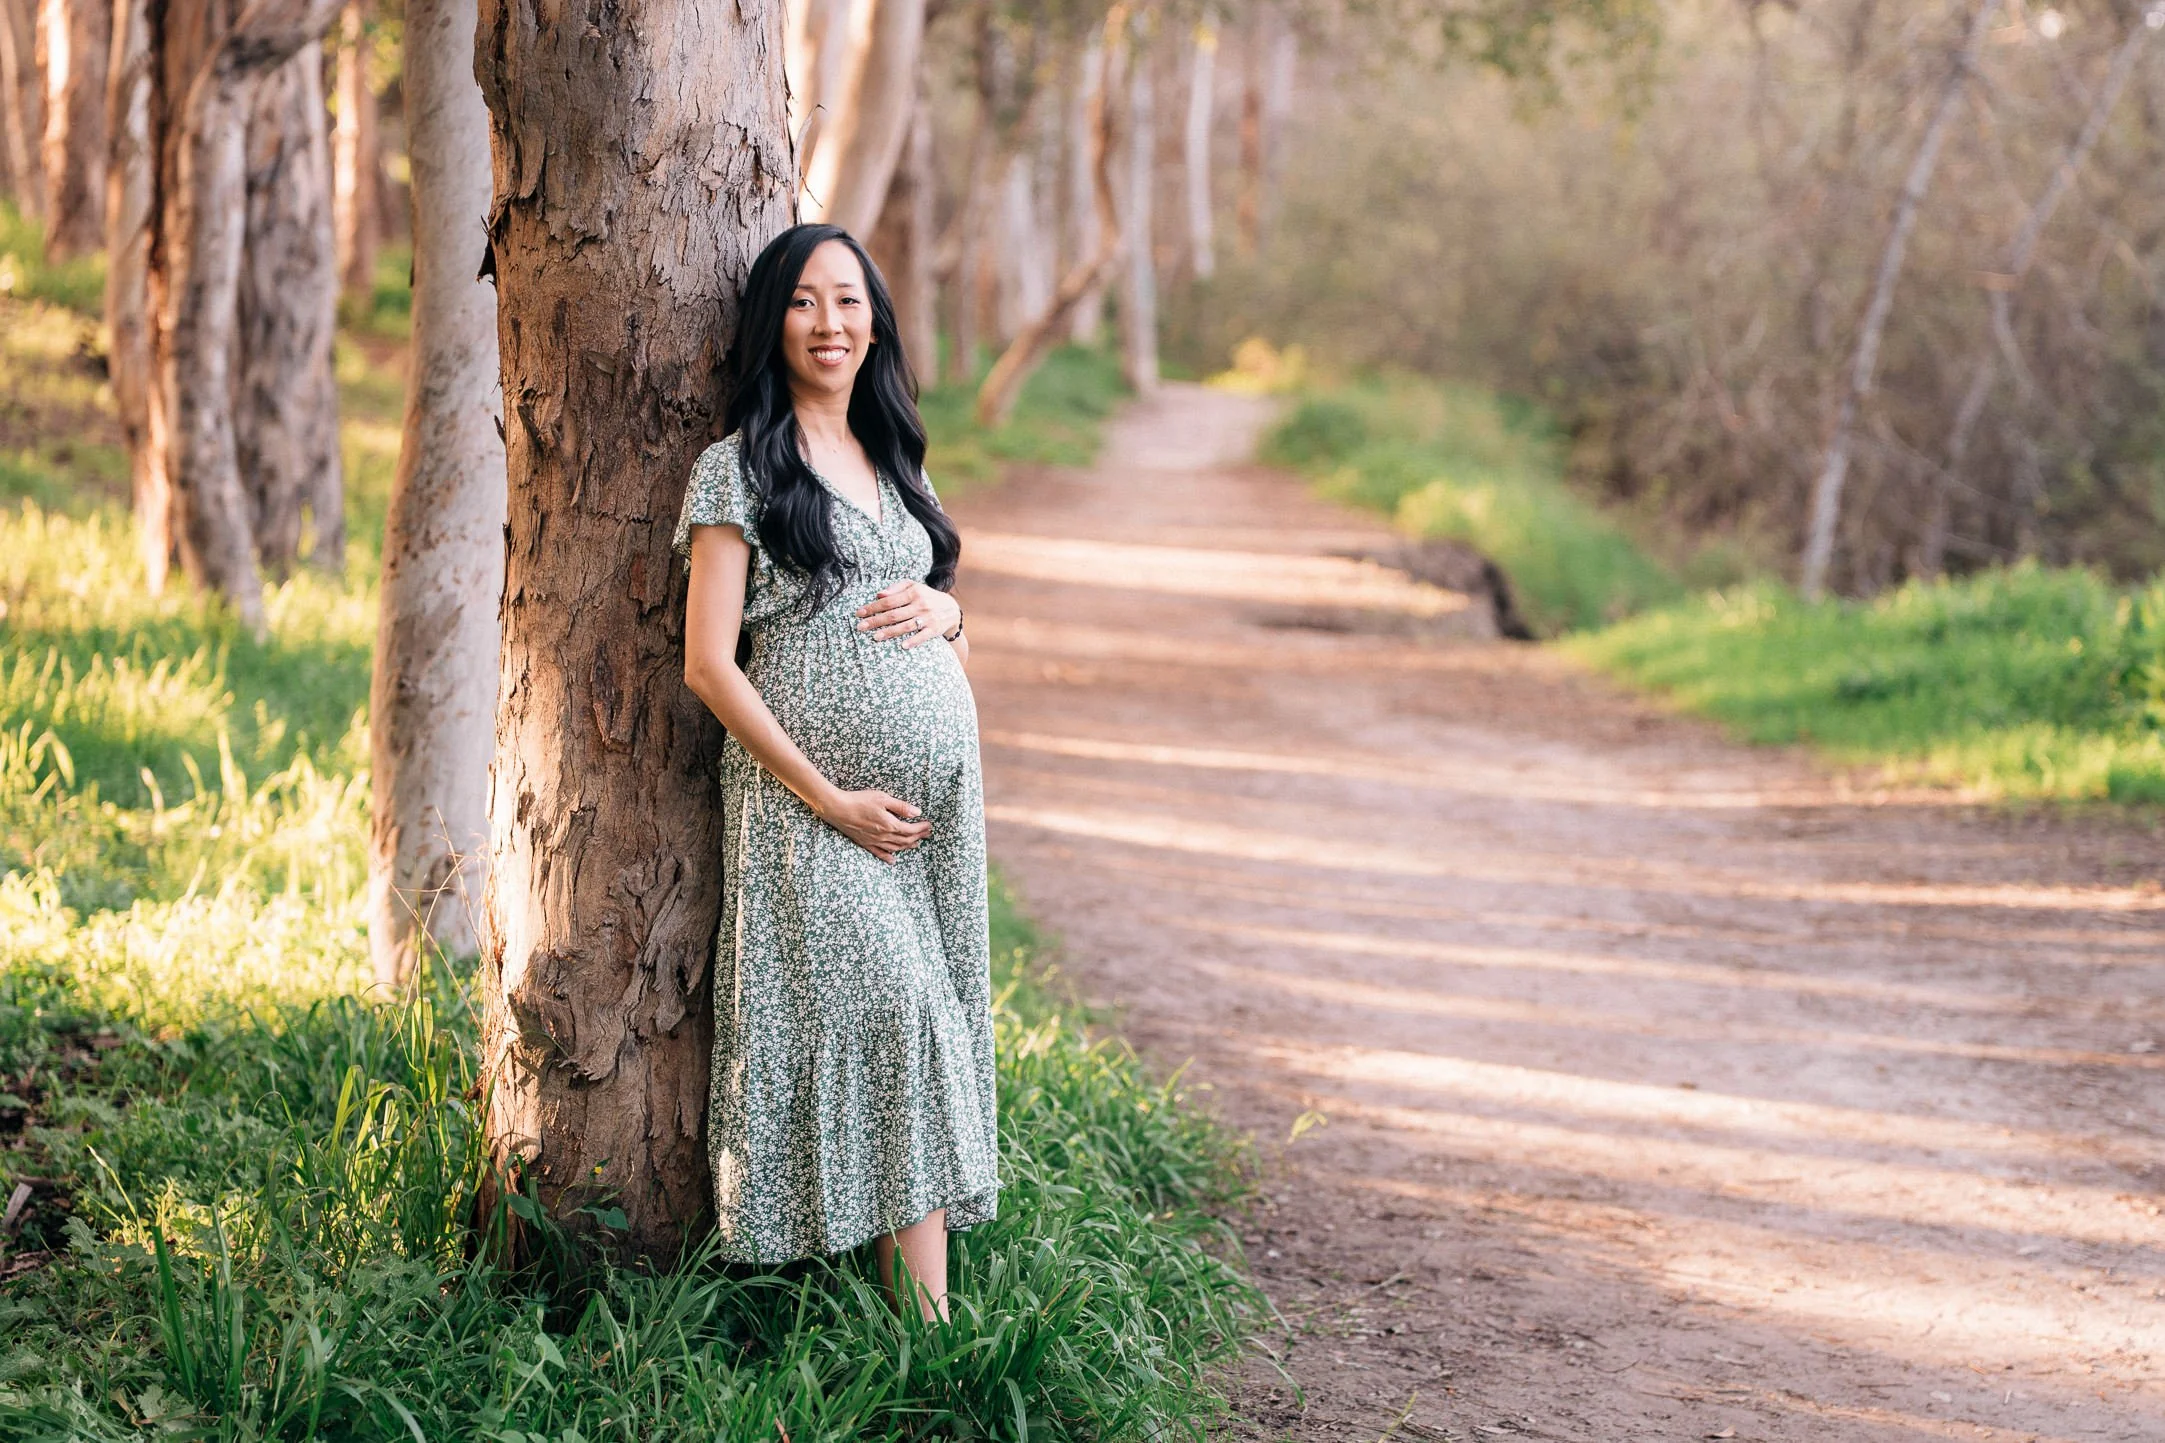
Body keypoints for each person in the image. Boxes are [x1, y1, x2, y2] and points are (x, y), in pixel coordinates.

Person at [675, 224, 995, 1321]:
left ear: (875, 322)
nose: (830, 325)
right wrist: (830, 798)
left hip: (929, 813)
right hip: (809, 808)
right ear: (773, 324)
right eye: (806, 304)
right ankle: (929, 1331)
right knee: (902, 1014)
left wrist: (951, 610)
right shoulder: (737, 471)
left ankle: (908, 1309)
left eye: (849, 303)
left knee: (934, 1018)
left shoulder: (897, 462)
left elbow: (944, 632)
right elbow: (708, 665)